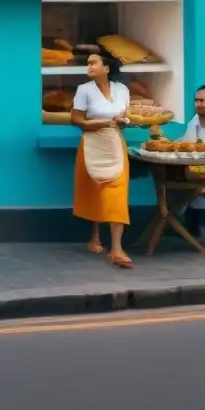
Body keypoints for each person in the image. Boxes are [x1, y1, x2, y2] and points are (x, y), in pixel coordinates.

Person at [71, 52, 133, 268]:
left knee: (117, 193)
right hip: (92, 144)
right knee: (94, 190)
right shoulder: (84, 90)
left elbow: (126, 115)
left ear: (106, 68)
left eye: (93, 63)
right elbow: (76, 119)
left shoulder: (122, 90)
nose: (88, 66)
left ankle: (117, 249)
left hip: (114, 144)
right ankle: (95, 236)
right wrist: (100, 123)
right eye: (87, 63)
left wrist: (122, 121)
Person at [178, 85, 205, 230]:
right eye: (198, 100)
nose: (200, 104)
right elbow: (186, 142)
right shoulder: (195, 120)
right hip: (196, 171)